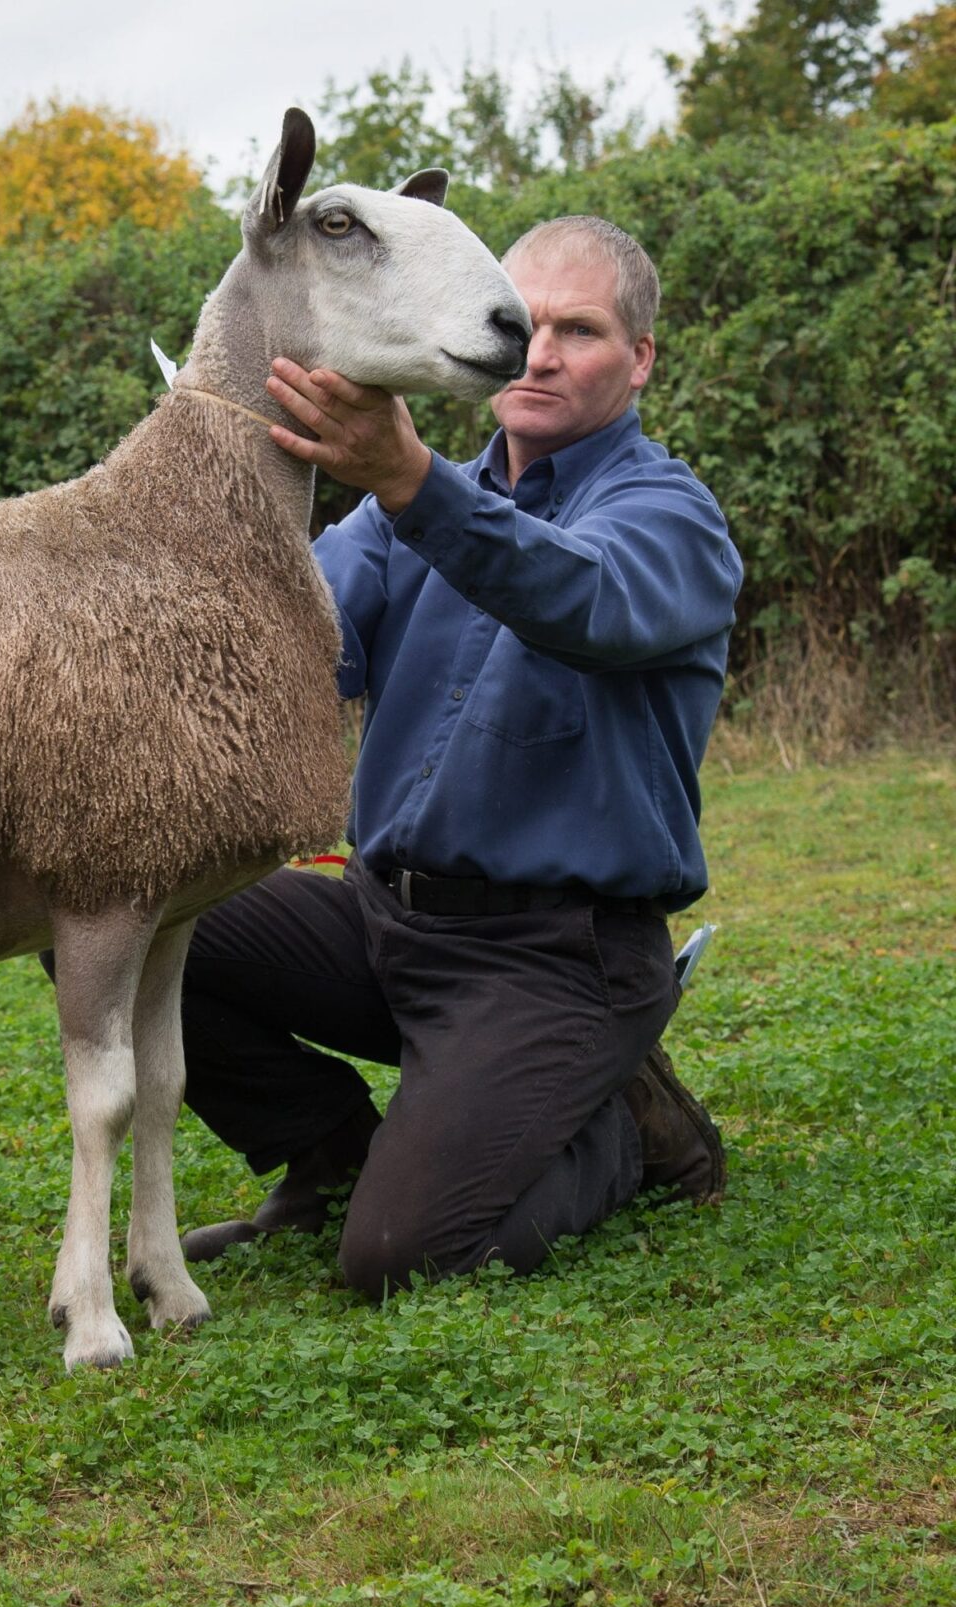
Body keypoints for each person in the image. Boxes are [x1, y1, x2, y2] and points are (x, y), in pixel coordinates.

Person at [177, 215, 740, 1294]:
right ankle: (329, 1149)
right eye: (521, 321)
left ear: (639, 359)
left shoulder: (668, 515)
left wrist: (410, 480)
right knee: (143, 915)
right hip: (385, 918)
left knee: (401, 1256)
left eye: (576, 330)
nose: (536, 352)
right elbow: (292, 640)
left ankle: (625, 1123)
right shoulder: (402, 510)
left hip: (553, 958)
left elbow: (579, 597)